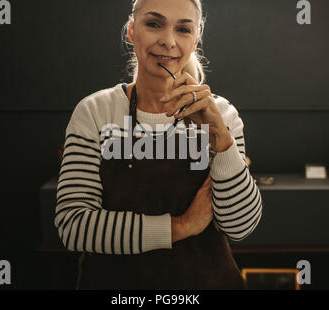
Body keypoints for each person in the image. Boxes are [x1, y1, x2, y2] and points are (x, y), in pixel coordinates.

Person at [54, 0, 263, 290]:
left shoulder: (223, 114)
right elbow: (74, 227)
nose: (168, 41)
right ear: (131, 31)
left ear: (196, 38)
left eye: (183, 29)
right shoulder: (94, 112)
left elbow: (240, 227)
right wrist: (182, 226)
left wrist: (222, 139)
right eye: (153, 24)